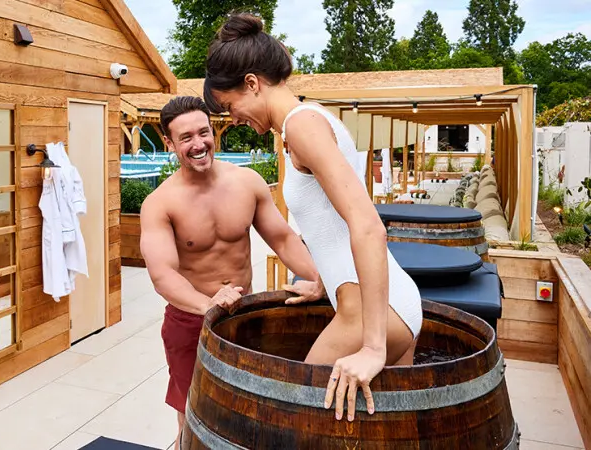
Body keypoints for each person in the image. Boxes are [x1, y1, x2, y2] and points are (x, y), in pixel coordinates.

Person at [202, 13, 423, 422]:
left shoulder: (302, 127)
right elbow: (330, 221)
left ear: (252, 83)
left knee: (290, 420)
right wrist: (325, 279)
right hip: (390, 303)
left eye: (230, 106)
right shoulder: (311, 119)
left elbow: (367, 225)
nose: (233, 119)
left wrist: (373, 347)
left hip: (369, 317)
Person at [140, 95, 325, 447]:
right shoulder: (160, 203)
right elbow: (163, 275)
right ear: (169, 143)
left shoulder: (247, 182)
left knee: (246, 411)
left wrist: (321, 278)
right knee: (192, 414)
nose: (198, 144)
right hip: (191, 321)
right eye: (186, 138)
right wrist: (206, 304)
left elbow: (283, 239)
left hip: (242, 315)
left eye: (203, 132)